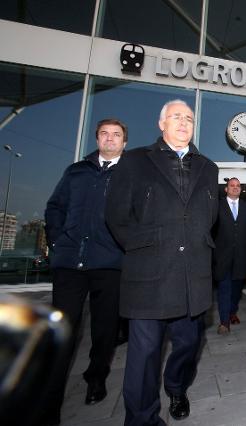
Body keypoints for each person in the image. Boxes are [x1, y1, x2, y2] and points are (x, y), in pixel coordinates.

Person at [105, 99, 219, 425]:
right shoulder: (135, 161)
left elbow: (208, 218)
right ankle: (142, 419)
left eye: (189, 118)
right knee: (144, 356)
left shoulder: (208, 168)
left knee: (189, 344)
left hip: (191, 276)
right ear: (161, 123)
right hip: (149, 276)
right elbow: (116, 215)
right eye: (176, 117)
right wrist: (144, 248)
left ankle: (176, 387)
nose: (183, 123)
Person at [42, 118, 127, 425]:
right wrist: (56, 239)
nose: (110, 138)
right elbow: (55, 207)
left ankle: (96, 377)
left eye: (116, 135)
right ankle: (49, 401)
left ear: (124, 142)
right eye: (104, 134)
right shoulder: (76, 171)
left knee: (104, 330)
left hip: (109, 264)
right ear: (97, 138)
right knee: (62, 332)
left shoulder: (129, 175)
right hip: (69, 265)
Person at [213, 177, 246, 334]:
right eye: (232, 185)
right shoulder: (217, 206)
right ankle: (224, 322)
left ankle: (232, 312)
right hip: (222, 257)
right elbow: (212, 230)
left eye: (238, 186)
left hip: (241, 257)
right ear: (226, 189)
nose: (235, 188)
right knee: (224, 289)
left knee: (236, 291)